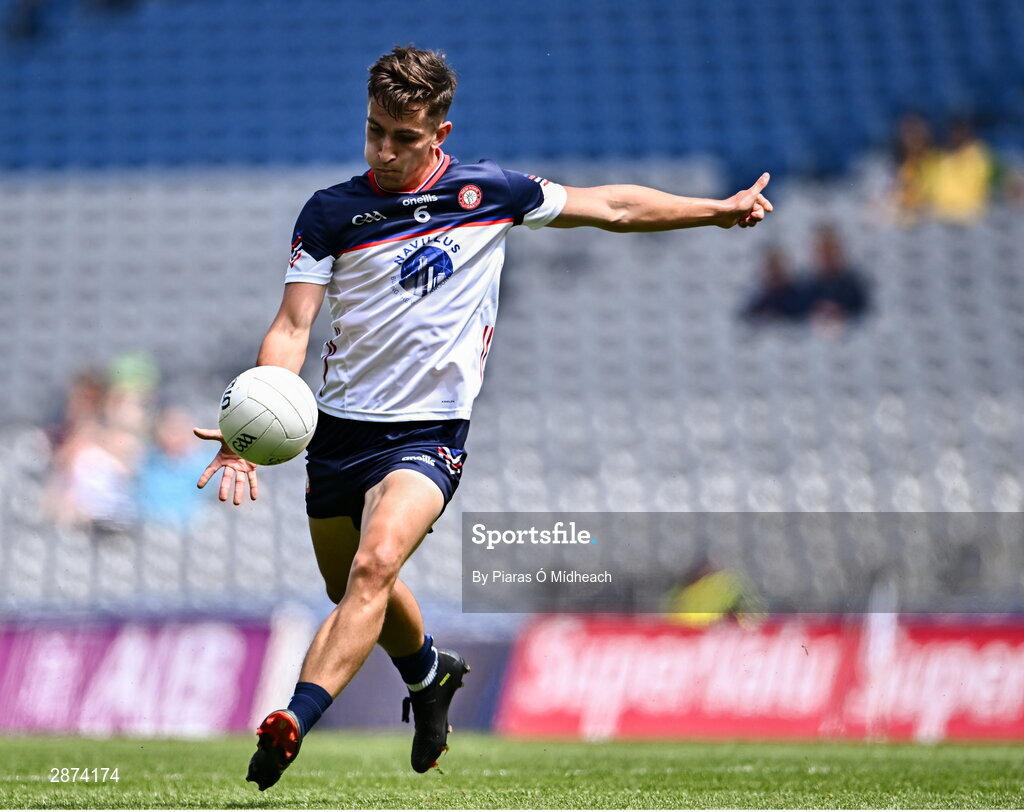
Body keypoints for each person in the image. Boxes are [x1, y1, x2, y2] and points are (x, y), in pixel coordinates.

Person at [193, 45, 772, 791]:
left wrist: (714, 211)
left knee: (375, 566)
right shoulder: (331, 212)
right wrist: (249, 431)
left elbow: (613, 206)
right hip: (338, 431)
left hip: (429, 433)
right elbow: (293, 327)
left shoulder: (489, 191)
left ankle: (294, 718)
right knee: (357, 589)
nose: (386, 150)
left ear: (440, 130)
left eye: (405, 138)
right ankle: (430, 675)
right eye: (375, 132)